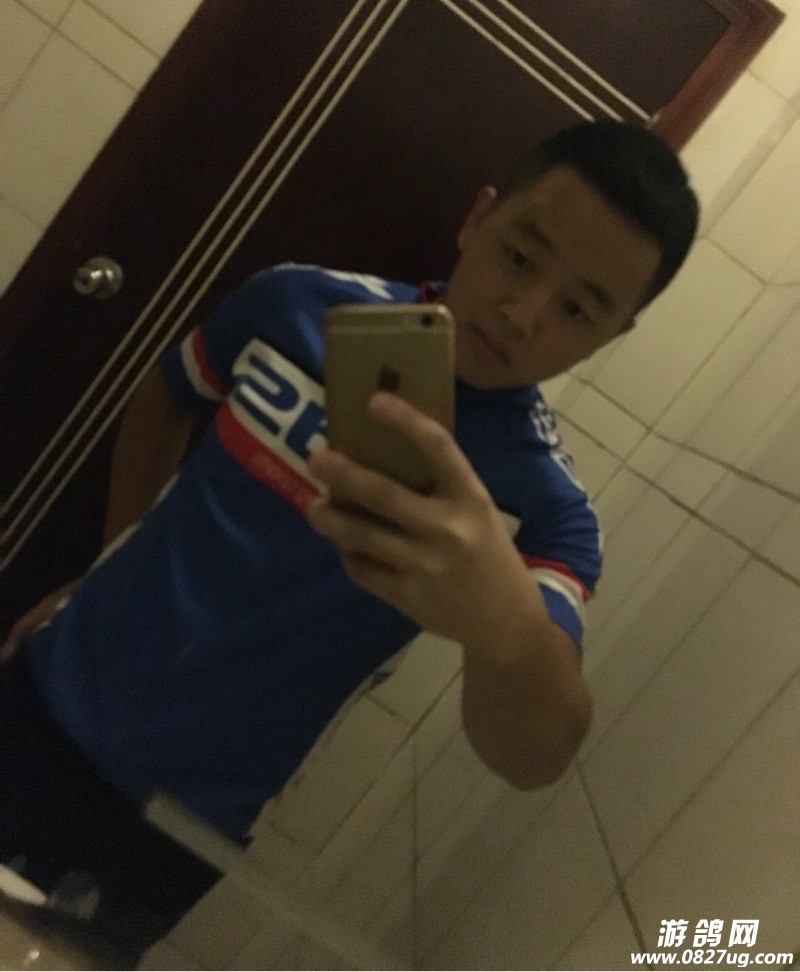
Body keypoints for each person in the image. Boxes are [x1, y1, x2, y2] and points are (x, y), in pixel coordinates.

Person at [0, 120, 699, 962]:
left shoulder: (543, 508)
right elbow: (166, 395)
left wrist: (507, 626)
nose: (524, 315)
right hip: (41, 693)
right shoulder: (295, 303)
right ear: (478, 218)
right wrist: (107, 568)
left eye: (579, 309)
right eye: (520, 256)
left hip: (176, 821)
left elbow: (536, 756)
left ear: (613, 334)